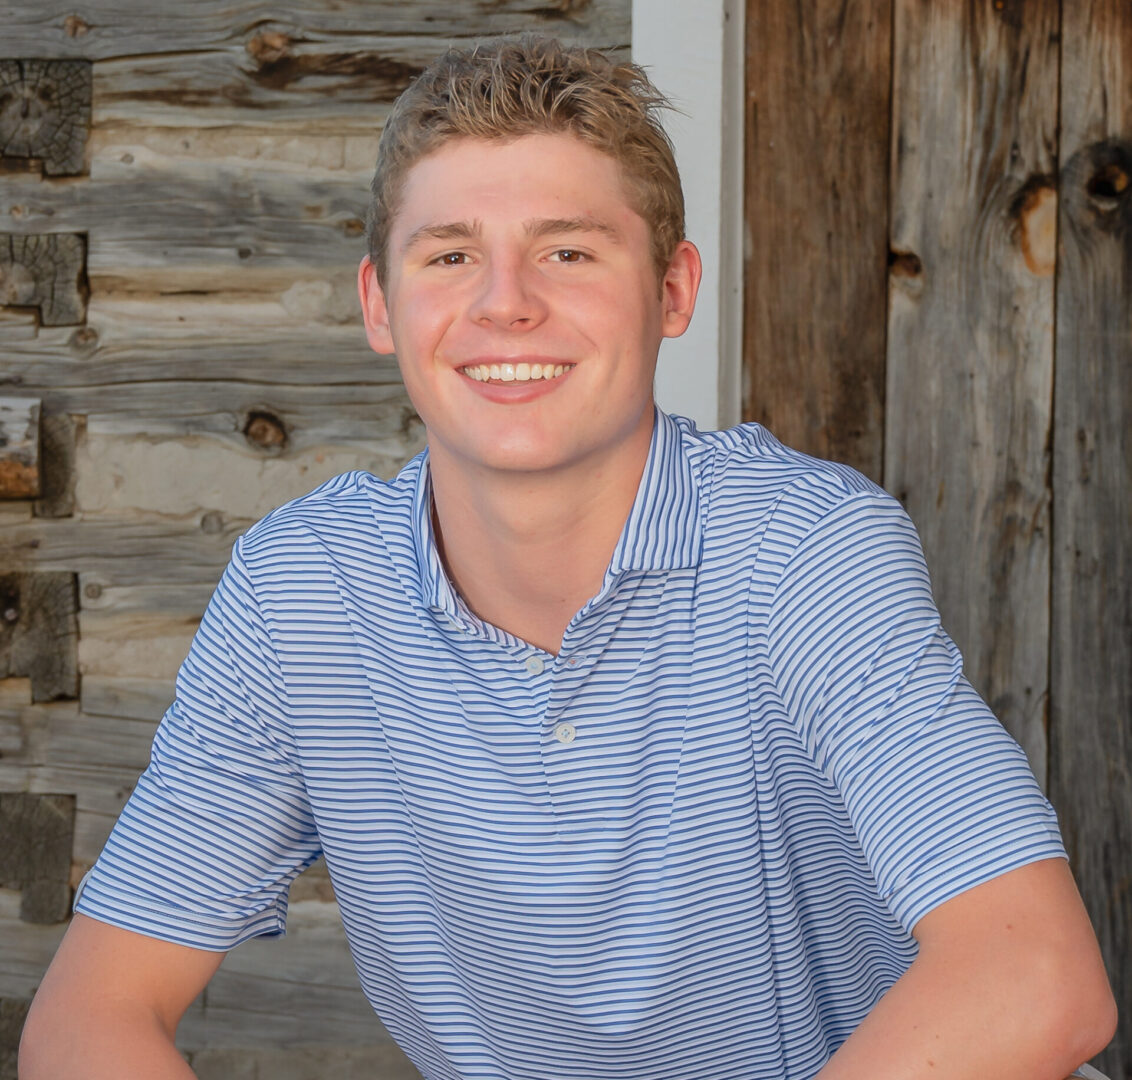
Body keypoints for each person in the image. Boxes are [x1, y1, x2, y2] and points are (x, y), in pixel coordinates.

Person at [19, 34, 1116, 1080]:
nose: (506, 303)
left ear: (672, 290)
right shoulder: (300, 596)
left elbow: (1035, 981)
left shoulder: (801, 553)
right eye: (450, 255)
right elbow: (90, 1017)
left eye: (567, 251)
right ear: (379, 306)